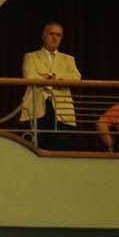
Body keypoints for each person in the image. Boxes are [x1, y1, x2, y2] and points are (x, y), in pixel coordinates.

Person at [19, 21, 80, 150]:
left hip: (62, 110)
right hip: (37, 108)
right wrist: (55, 80)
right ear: (44, 35)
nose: (55, 38)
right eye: (51, 34)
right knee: (35, 148)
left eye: (59, 35)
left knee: (62, 148)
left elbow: (76, 78)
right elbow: (29, 76)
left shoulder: (68, 59)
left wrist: (53, 78)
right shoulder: (31, 57)